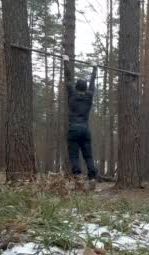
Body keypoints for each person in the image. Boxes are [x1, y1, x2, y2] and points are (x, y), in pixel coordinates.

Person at [63, 55, 98, 186]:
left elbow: (68, 78)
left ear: (76, 87)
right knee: (88, 156)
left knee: (74, 156)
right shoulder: (89, 96)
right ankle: (92, 177)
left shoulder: (72, 94)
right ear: (85, 88)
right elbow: (93, 82)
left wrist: (66, 61)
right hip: (85, 130)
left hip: (73, 129)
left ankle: (77, 177)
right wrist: (94, 68)